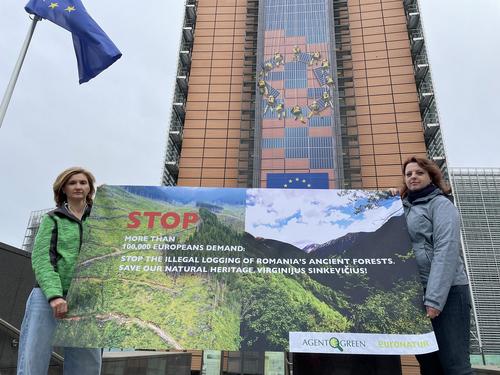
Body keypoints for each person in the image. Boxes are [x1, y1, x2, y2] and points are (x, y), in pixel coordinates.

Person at [17, 167, 102, 375]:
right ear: (63, 188)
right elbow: (42, 258)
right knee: (33, 359)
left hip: (85, 300)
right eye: (72, 183)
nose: (78, 187)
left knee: (87, 364)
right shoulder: (53, 218)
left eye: (83, 182)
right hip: (47, 297)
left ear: (90, 188)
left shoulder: (101, 220)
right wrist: (54, 296)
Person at [396, 156, 473, 375]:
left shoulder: (440, 204)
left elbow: (446, 250)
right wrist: (387, 199)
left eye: (419, 173)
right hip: (416, 295)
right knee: (429, 367)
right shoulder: (403, 207)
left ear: (431, 176)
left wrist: (434, 299)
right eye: (409, 173)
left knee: (455, 366)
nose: (413, 177)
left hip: (448, 294)